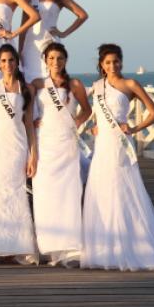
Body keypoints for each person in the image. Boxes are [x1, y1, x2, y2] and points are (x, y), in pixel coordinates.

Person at [82, 44, 154, 271]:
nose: (112, 65)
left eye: (116, 61)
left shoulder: (130, 84)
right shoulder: (97, 86)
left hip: (120, 144)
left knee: (121, 188)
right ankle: (106, 248)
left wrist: (134, 128)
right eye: (108, 62)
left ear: (121, 62)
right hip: (102, 144)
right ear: (101, 65)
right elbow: (96, 113)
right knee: (102, 189)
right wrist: (95, 125)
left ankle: (131, 247)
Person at [32, 42, 91, 267]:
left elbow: (87, 109)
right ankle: (50, 247)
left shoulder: (74, 84)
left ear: (66, 60)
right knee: (45, 194)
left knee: (68, 194)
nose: (55, 62)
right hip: (44, 144)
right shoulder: (38, 84)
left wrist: (75, 123)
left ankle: (70, 247)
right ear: (45, 61)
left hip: (66, 145)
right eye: (51, 58)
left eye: (59, 58)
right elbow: (21, 106)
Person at [0, 45, 38, 264]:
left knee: (15, 193)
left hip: (17, 146)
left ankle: (16, 247)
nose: (7, 64)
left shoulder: (27, 88)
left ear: (17, 62)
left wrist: (33, 155)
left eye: (11, 60)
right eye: (3, 61)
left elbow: (29, 123)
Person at [19, 0, 89, 82]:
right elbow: (23, 27)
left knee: (51, 79)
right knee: (30, 80)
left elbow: (82, 15)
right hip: (31, 45)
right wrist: (20, 51)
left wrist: (64, 33)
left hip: (50, 44)